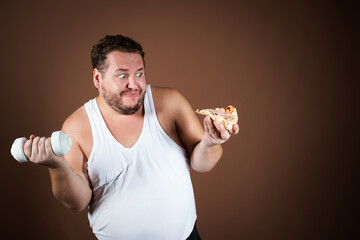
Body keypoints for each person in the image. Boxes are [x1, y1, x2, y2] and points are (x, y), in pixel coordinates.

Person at [22, 34, 239, 240]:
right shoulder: (77, 127)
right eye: (122, 75)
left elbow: (202, 164)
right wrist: (57, 166)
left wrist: (210, 142)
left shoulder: (170, 102)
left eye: (139, 74)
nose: (134, 84)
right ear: (98, 78)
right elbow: (76, 203)